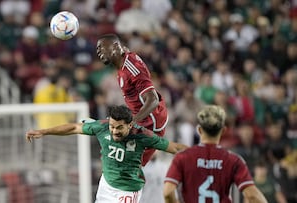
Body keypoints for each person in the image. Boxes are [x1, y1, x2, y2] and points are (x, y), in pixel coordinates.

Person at [26, 105, 186, 203]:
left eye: (119, 128)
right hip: (106, 185)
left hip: (128, 189)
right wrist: (43, 132)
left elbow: (175, 148)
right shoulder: (102, 127)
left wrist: (202, 152)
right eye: (112, 126)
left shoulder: (143, 136)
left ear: (130, 125)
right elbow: (74, 127)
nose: (114, 131)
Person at [163, 105, 267, 203]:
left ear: (199, 130)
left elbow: (168, 192)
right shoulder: (234, 160)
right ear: (223, 131)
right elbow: (252, 195)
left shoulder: (183, 157)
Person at [96, 33, 168, 166]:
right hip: (141, 120)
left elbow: (153, 100)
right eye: (97, 49)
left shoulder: (131, 68)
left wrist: (131, 122)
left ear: (116, 46)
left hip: (150, 123)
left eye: (101, 47)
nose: (98, 51)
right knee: (119, 160)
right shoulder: (123, 64)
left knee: (129, 167)